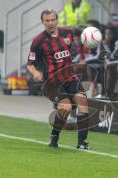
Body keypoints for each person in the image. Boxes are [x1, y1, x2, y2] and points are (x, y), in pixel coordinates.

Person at [27, 9, 90, 149]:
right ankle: (54, 137)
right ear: (42, 22)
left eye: (52, 20)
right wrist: (35, 72)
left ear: (57, 20)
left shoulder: (67, 32)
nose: (50, 23)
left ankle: (82, 143)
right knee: (66, 107)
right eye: (47, 21)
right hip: (53, 82)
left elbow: (79, 43)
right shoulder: (38, 41)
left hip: (70, 77)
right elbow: (30, 64)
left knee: (83, 102)